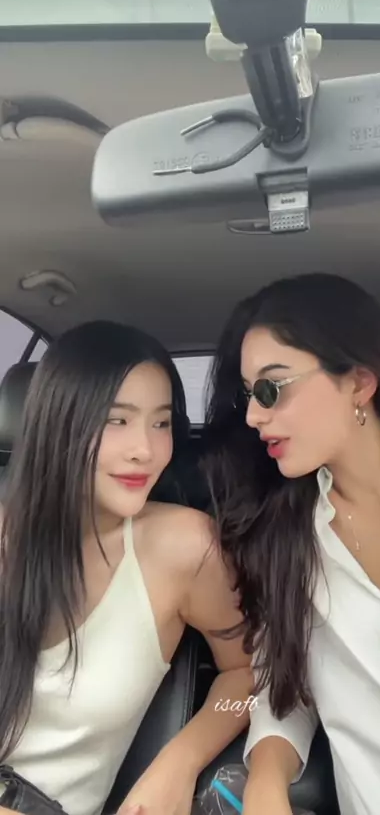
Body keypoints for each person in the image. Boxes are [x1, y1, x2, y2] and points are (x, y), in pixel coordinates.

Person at [202, 272, 380, 815]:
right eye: (248, 395)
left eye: (272, 388)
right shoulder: (284, 539)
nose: (254, 415)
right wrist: (266, 783)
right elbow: (283, 691)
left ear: (359, 382)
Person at [0, 320, 252, 815]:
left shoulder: (184, 547)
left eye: (161, 423)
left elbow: (249, 676)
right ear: (59, 421)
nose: (145, 450)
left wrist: (181, 759)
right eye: (117, 420)